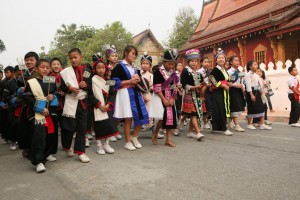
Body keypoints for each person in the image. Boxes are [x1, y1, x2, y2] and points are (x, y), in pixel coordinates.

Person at [111, 45, 149, 150]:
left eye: (135, 54)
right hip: (125, 93)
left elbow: (140, 82)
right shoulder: (119, 66)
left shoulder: (135, 67)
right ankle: (127, 142)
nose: (134, 56)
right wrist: (129, 81)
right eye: (132, 53)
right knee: (128, 118)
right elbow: (112, 82)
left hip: (136, 92)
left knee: (142, 115)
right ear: (126, 53)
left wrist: (138, 81)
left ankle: (134, 137)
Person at [23, 59, 56, 173]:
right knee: (39, 137)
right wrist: (41, 108)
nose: (45, 69)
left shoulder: (51, 80)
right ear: (37, 69)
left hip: (50, 112)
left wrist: (53, 96)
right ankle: (38, 161)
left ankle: (46, 154)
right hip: (37, 114)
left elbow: (55, 92)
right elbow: (27, 98)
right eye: (43, 67)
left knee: (50, 135)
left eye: (47, 67)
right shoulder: (31, 82)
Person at [60, 48, 92, 163]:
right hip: (70, 102)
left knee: (81, 128)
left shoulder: (86, 70)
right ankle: (67, 146)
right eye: (71, 58)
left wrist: (85, 85)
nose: (73, 60)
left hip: (83, 102)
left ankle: (81, 152)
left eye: (75, 57)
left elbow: (90, 84)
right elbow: (62, 87)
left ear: (81, 57)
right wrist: (70, 89)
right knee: (69, 128)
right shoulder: (65, 72)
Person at [90, 53, 119, 154]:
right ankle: (99, 146)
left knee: (109, 126)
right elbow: (90, 95)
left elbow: (112, 93)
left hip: (107, 107)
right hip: (97, 107)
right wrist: (98, 105)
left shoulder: (109, 80)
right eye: (99, 68)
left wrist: (108, 104)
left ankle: (106, 144)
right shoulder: (92, 80)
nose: (101, 70)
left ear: (105, 69)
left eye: (103, 67)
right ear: (95, 69)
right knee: (99, 127)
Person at [150, 50, 179, 147]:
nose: (171, 66)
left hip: (170, 96)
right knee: (162, 117)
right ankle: (155, 132)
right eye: (169, 64)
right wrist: (164, 99)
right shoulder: (158, 71)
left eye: (173, 64)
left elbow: (175, 86)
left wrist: (172, 99)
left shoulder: (173, 73)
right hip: (160, 96)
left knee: (171, 117)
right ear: (164, 62)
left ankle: (168, 139)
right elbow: (156, 87)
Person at [18, 51, 39, 158]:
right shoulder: (22, 76)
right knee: (25, 128)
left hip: (37, 104)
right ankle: (27, 148)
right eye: (27, 60)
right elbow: (17, 93)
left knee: (37, 129)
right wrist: (19, 91)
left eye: (31, 60)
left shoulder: (40, 73)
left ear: (36, 61)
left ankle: (37, 150)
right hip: (25, 105)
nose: (29, 62)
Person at [181, 49, 205, 141]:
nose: (194, 63)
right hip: (189, 94)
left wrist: (203, 86)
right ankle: (198, 132)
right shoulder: (185, 71)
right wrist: (196, 87)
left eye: (196, 61)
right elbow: (184, 85)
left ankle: (190, 131)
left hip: (197, 95)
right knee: (194, 114)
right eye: (192, 61)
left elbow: (202, 83)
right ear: (188, 62)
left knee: (193, 114)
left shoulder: (198, 73)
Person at [209, 48, 233, 136]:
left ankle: (217, 127)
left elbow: (226, 80)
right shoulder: (215, 69)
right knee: (220, 109)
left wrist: (229, 84)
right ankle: (224, 128)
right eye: (219, 58)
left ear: (225, 59)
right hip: (218, 92)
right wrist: (223, 85)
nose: (221, 59)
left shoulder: (224, 70)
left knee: (221, 109)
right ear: (216, 60)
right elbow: (212, 78)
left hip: (224, 92)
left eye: (222, 58)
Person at [244, 61, 272, 130]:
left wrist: (261, 92)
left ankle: (262, 124)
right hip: (251, 92)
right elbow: (248, 86)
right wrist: (251, 95)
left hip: (257, 92)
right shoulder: (248, 75)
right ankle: (249, 124)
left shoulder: (256, 75)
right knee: (251, 107)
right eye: (255, 65)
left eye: (257, 65)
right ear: (250, 66)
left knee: (261, 107)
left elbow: (259, 84)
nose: (257, 66)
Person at [2, 65, 22, 150]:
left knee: (22, 125)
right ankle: (13, 142)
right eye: (20, 71)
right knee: (14, 124)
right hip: (12, 107)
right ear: (15, 72)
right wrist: (14, 99)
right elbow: (5, 96)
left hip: (23, 106)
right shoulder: (9, 83)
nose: (22, 72)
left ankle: (21, 141)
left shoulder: (23, 81)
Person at [105, 45, 122, 141]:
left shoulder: (119, 67)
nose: (115, 58)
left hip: (119, 91)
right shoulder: (105, 68)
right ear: (108, 58)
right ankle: (110, 132)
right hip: (110, 92)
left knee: (118, 111)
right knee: (110, 112)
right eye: (112, 56)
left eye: (116, 56)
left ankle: (115, 130)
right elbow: (106, 82)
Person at [227, 56, 245, 132]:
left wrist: (243, 86)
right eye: (235, 60)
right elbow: (229, 83)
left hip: (239, 90)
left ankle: (228, 121)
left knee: (239, 106)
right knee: (235, 107)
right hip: (232, 91)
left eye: (238, 60)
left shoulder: (240, 71)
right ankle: (236, 125)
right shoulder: (229, 72)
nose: (238, 62)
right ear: (231, 62)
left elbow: (242, 81)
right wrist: (237, 85)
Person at [140, 51, 154, 131]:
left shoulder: (151, 75)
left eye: (147, 64)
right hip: (140, 94)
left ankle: (151, 127)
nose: (145, 65)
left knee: (149, 110)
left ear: (150, 65)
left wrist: (151, 88)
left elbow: (152, 85)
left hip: (148, 95)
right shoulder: (138, 74)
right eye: (143, 63)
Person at [199, 57, 212, 129]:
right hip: (201, 91)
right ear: (201, 63)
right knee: (203, 106)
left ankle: (205, 121)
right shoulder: (199, 72)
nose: (207, 63)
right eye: (205, 62)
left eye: (208, 62)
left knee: (208, 106)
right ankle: (204, 121)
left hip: (208, 90)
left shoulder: (209, 72)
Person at [173, 62, 183, 136]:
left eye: (181, 65)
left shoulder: (183, 74)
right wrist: (179, 90)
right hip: (175, 93)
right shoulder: (174, 74)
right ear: (176, 67)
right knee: (176, 108)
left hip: (182, 92)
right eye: (179, 65)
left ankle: (179, 123)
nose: (180, 66)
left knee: (180, 108)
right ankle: (175, 126)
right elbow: (173, 85)